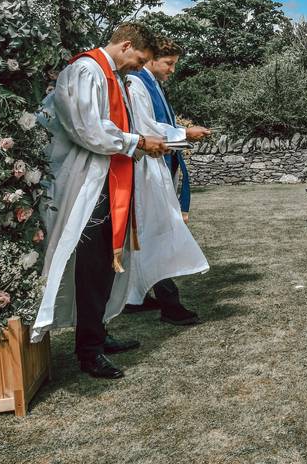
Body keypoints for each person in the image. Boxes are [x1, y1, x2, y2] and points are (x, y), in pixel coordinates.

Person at [32, 22, 169, 379]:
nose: (139, 68)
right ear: (125, 46)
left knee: (108, 263)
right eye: (139, 60)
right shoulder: (84, 71)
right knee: (92, 264)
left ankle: (97, 332)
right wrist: (136, 142)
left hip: (109, 177)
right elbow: (87, 129)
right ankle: (88, 351)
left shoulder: (114, 76)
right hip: (86, 182)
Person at [125, 37, 211, 325]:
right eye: (169, 63)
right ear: (151, 59)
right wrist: (185, 134)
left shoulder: (152, 84)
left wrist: (182, 131)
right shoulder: (137, 84)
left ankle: (134, 296)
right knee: (159, 232)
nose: (172, 70)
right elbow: (145, 128)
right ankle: (169, 303)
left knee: (148, 235)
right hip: (144, 169)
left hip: (157, 165)